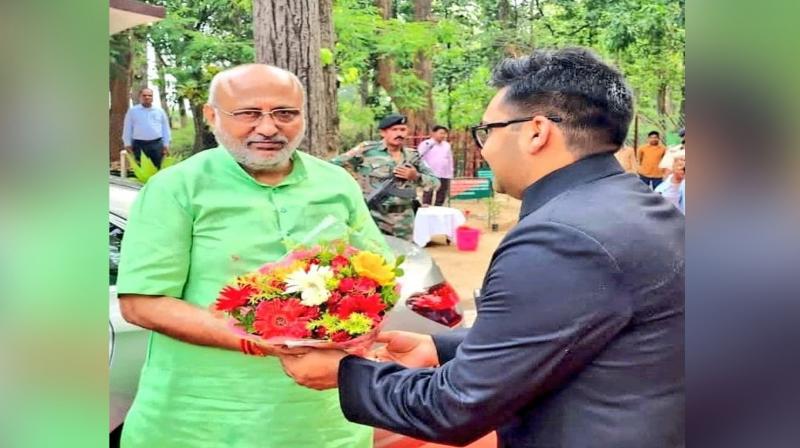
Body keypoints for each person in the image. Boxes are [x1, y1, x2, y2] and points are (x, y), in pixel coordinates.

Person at [278, 47, 685, 447]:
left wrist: (347, 373)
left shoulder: (561, 238)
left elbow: (456, 407)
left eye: (486, 131)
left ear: (536, 131)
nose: (483, 148)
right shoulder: (636, 206)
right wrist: (441, 346)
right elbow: (564, 328)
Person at [115, 64, 386, 448]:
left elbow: (377, 276)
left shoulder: (336, 183)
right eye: (248, 114)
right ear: (212, 116)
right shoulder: (176, 188)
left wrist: (361, 323)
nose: (269, 128)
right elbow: (142, 303)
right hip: (197, 424)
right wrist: (260, 340)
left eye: (285, 113)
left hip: (325, 424)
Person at [331, 114, 439, 241]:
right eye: (394, 130)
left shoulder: (413, 156)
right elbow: (333, 166)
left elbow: (436, 183)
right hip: (373, 216)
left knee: (403, 256)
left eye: (402, 130)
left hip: (404, 220)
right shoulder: (366, 150)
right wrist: (351, 186)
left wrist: (415, 176)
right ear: (383, 133)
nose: (399, 134)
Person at [122, 87, 171, 168]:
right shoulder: (133, 111)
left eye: (150, 95)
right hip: (139, 145)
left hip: (157, 144)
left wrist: (166, 144)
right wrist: (127, 143)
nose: (147, 97)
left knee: (157, 168)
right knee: (141, 168)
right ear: (140, 97)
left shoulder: (159, 111)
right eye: (144, 95)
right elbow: (127, 128)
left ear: (152, 97)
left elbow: (165, 128)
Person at [417, 125, 454, 206]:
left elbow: (449, 159)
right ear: (433, 133)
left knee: (441, 194)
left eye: (445, 134)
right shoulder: (426, 144)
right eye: (441, 133)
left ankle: (438, 210)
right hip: (430, 173)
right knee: (428, 192)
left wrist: (450, 172)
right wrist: (425, 169)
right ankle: (426, 211)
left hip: (444, 173)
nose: (443, 135)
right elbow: (419, 157)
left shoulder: (447, 145)